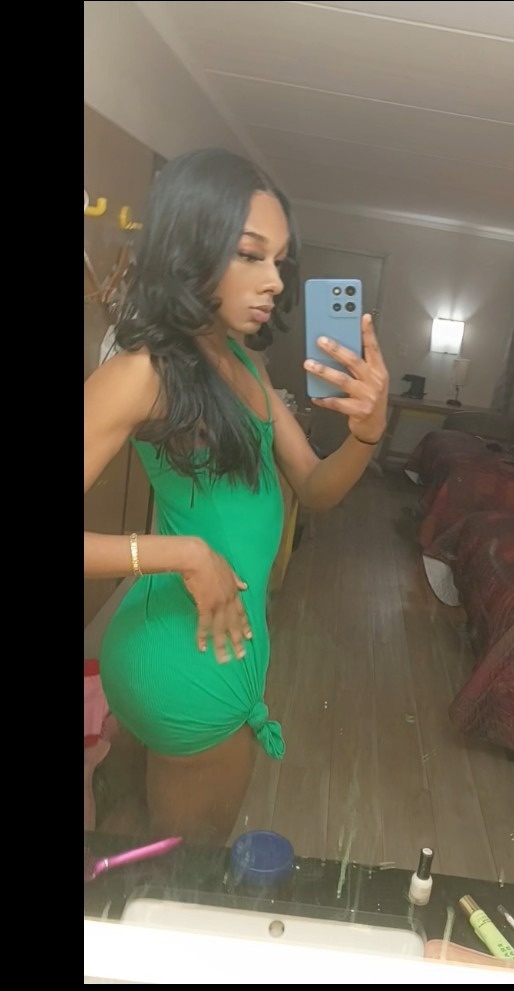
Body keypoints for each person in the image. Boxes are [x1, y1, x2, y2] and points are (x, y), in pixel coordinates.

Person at [84, 148, 389, 844]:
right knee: (184, 876)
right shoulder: (142, 372)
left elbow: (314, 486)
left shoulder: (241, 361)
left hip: (165, 646)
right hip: (193, 664)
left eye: (279, 260)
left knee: (127, 835)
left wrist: (368, 434)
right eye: (251, 255)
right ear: (191, 246)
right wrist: (184, 553)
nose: (275, 280)